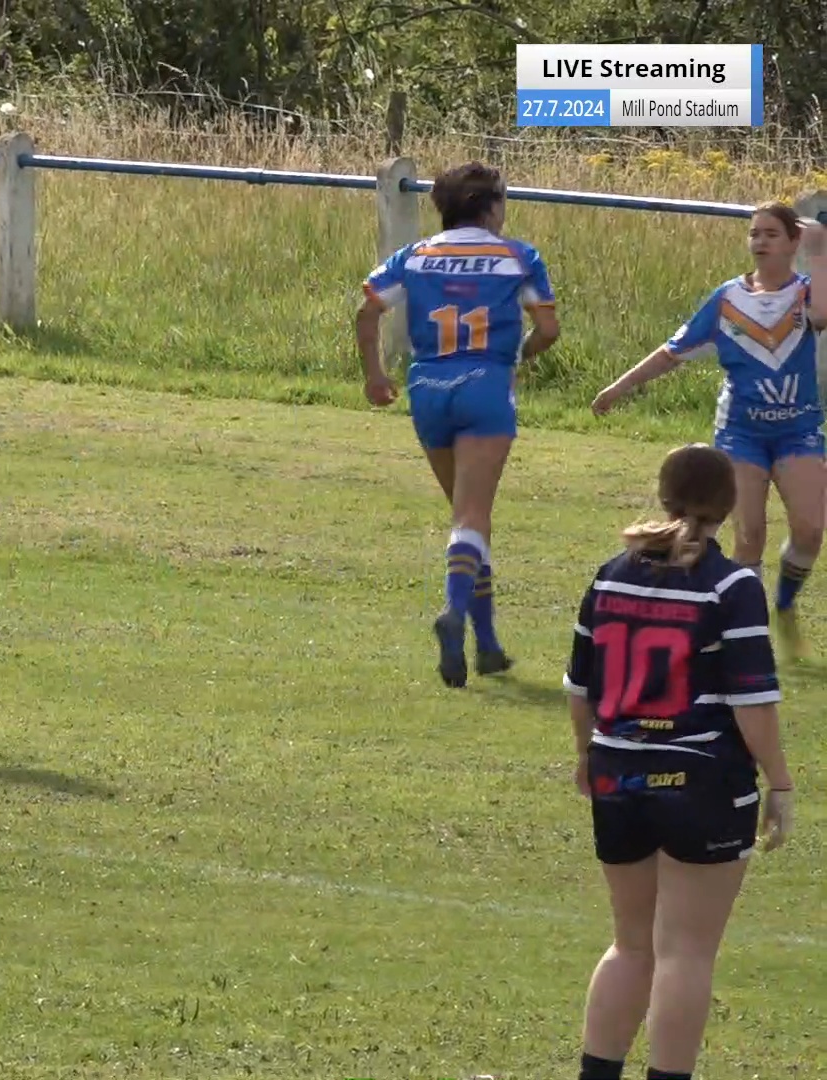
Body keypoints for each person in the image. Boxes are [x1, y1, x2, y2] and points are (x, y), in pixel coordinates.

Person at [564, 443, 795, 1080]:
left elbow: (579, 687)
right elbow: (752, 704)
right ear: (734, 504)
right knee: (686, 955)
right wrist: (780, 782)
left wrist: (587, 753)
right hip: (702, 780)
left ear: (663, 494)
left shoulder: (610, 573)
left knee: (630, 945)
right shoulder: (732, 585)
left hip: (617, 771)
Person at [593, 203, 827, 665]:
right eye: (754, 233)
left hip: (798, 429)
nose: (760, 241)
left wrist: (820, 252)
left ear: (793, 243)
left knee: (810, 529)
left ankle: (783, 603)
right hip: (740, 433)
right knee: (749, 535)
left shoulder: (806, 293)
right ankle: (745, 632)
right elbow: (672, 352)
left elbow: (821, 317)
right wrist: (618, 387)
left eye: (772, 234)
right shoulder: (726, 299)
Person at [356, 161, 560, 688]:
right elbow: (549, 329)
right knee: (472, 517)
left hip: (428, 388)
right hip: (485, 386)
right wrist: (522, 355)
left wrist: (376, 376)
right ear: (492, 205)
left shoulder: (416, 255)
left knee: (467, 518)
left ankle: (487, 644)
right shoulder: (518, 255)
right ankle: (453, 613)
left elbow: (367, 312)